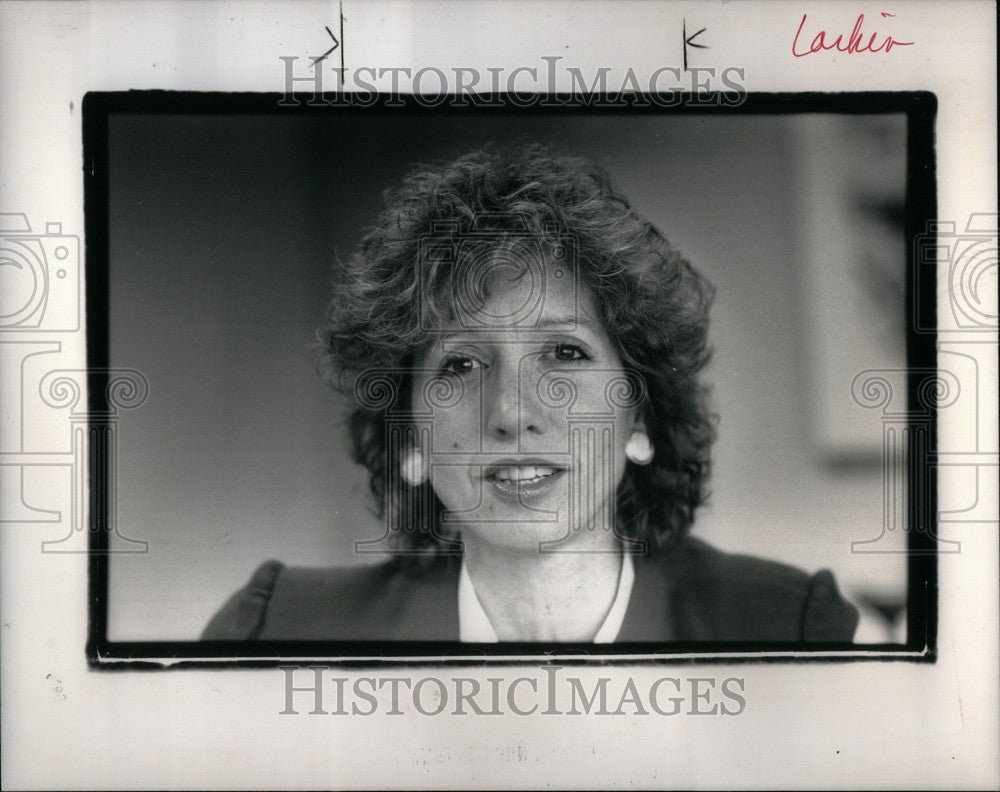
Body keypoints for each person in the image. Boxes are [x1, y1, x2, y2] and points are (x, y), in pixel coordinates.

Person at [203, 145, 858, 644]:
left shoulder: (787, 628)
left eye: (565, 353)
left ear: (640, 417)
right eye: (459, 365)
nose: (513, 412)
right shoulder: (275, 632)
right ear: (410, 440)